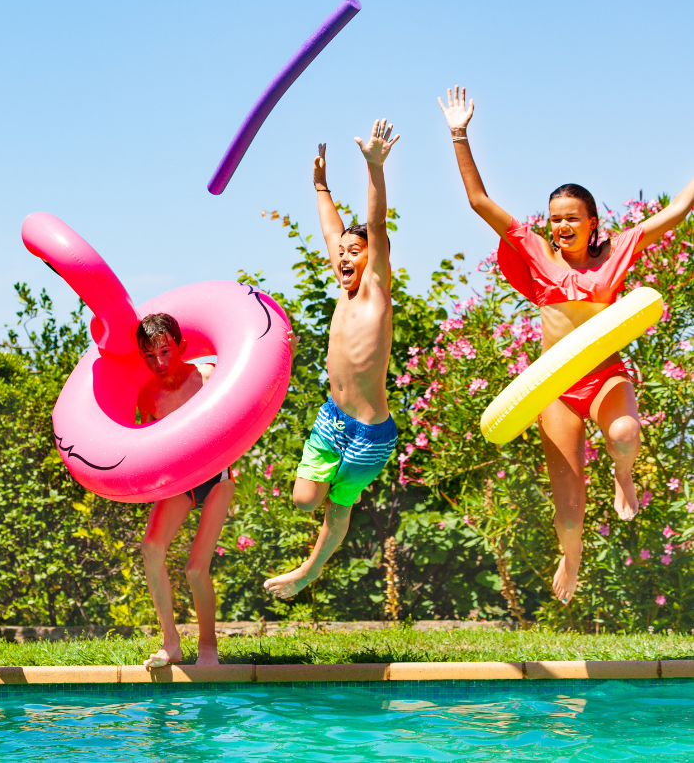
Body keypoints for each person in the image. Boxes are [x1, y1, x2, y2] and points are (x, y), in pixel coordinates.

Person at [439, 85, 694, 603]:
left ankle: (623, 474)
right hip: (555, 386)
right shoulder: (535, 252)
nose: (561, 226)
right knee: (569, 506)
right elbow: (479, 202)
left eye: (572, 218)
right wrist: (459, 134)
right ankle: (571, 557)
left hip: (604, 376)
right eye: (555, 218)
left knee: (625, 433)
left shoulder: (618, 250)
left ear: (592, 222)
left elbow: (678, 211)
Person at [264, 118, 401, 601]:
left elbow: (376, 226)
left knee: (337, 511)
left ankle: (308, 572)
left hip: (370, 433)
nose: (342, 256)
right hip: (332, 418)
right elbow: (330, 230)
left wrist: (374, 167)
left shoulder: (375, 291)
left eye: (353, 251)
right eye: (340, 252)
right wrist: (321, 186)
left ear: (372, 259)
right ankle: (309, 562)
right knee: (305, 500)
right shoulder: (344, 289)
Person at [137, 313, 294, 668]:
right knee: (151, 547)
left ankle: (208, 646)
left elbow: (254, 389)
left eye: (165, 351)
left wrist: (288, 354)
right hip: (180, 482)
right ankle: (171, 643)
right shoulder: (148, 395)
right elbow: (147, 446)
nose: (159, 363)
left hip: (216, 478)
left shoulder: (207, 376)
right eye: (149, 356)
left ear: (181, 346)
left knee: (196, 569)